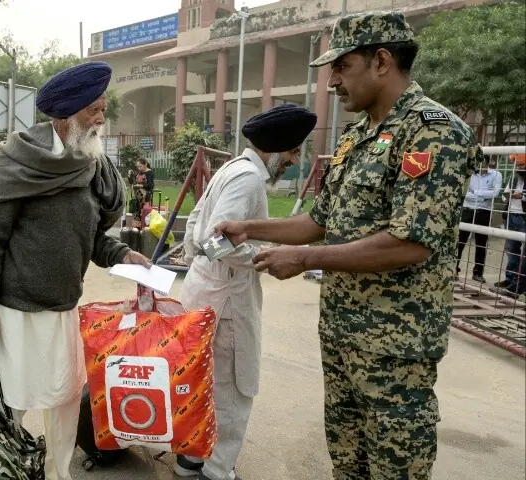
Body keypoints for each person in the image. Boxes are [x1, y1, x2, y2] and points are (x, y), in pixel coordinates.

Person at [214, 11, 482, 479]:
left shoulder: (433, 131)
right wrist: (248, 227)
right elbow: (318, 220)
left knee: (393, 467)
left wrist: (303, 259)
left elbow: (410, 242)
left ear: (382, 61)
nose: (332, 81)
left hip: (395, 347)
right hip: (342, 336)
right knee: (349, 465)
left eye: (341, 67)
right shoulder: (356, 138)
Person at [0, 61, 151, 480]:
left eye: (104, 108)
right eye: (94, 110)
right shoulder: (15, 164)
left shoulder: (92, 166)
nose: (102, 118)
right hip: (13, 315)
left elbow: (91, 239)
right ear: (65, 114)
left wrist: (123, 255)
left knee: (65, 407)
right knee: (2, 411)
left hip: (64, 312)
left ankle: (56, 475)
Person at [174, 104, 316, 480]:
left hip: (206, 289)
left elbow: (194, 231)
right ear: (275, 148)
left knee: (203, 382)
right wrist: (265, 257)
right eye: (292, 152)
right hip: (227, 301)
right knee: (233, 387)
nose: (294, 161)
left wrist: (202, 262)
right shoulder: (249, 178)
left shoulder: (232, 167)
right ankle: (218, 470)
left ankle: (191, 459)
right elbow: (213, 240)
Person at [456, 156, 502, 282]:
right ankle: (454, 269)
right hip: (468, 210)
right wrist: (482, 196)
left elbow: (495, 193)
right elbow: (464, 192)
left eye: (481, 162)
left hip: (484, 212)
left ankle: (478, 273)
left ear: (487, 162)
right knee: (460, 241)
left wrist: (475, 192)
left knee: (481, 244)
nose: (478, 164)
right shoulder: (468, 174)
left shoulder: (496, 175)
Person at [494, 155, 526, 298]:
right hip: (511, 215)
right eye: (517, 165)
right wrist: (508, 195)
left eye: (521, 165)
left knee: (524, 254)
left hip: (523, 217)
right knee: (511, 250)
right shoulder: (513, 178)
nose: (518, 168)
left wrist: (523, 196)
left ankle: (517, 285)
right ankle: (510, 279)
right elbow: (504, 194)